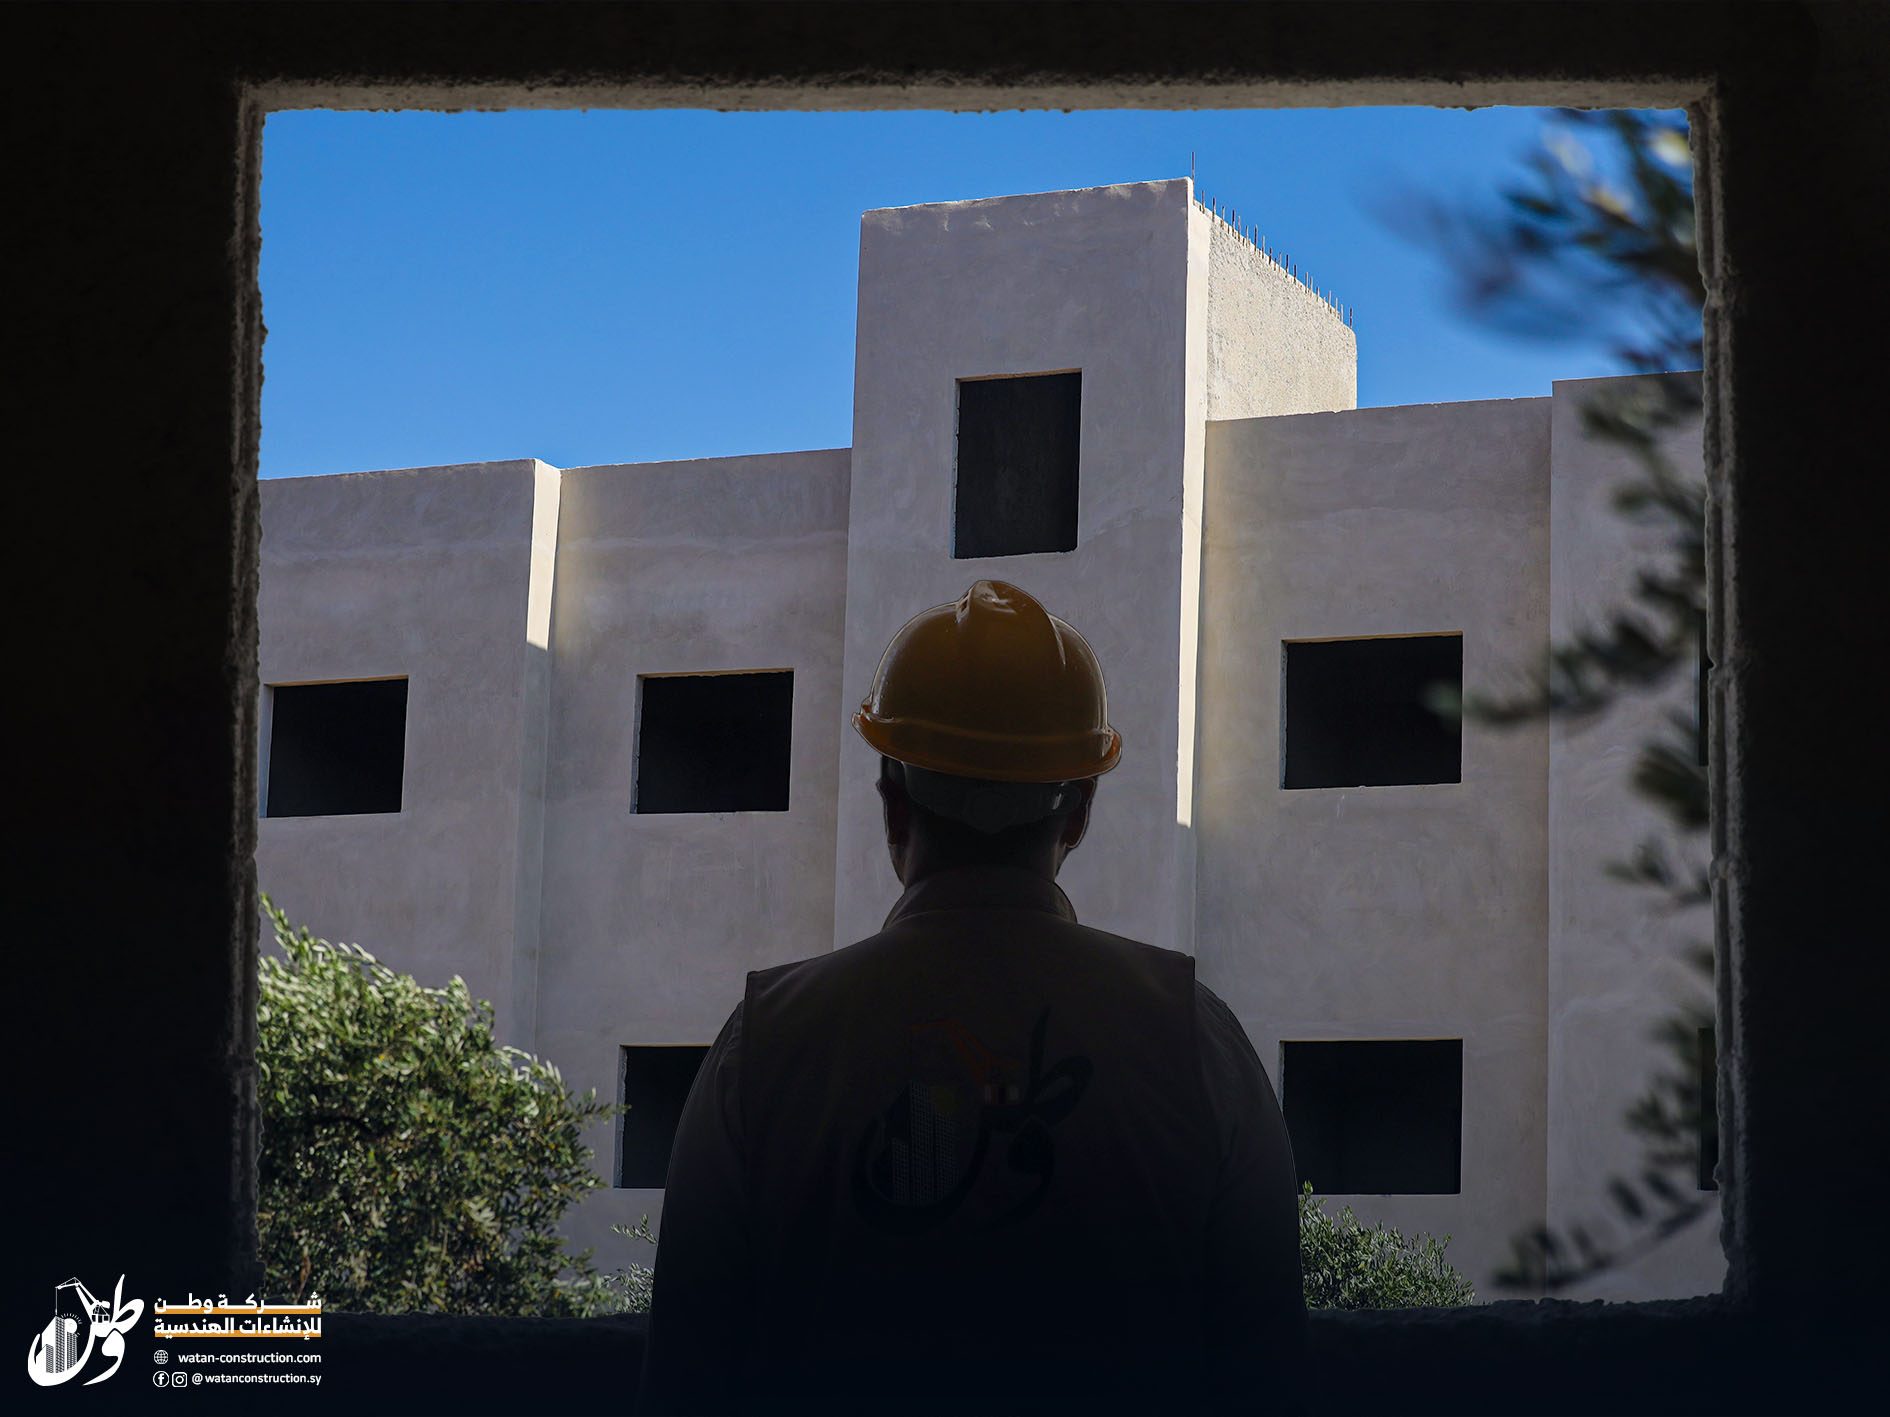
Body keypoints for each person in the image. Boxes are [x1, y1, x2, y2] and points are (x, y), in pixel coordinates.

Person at [638, 580, 1304, 1416]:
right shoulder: (1195, 1040)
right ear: (1079, 813)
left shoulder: (764, 1047)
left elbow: (684, 1379)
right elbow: (1269, 1371)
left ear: (892, 805)